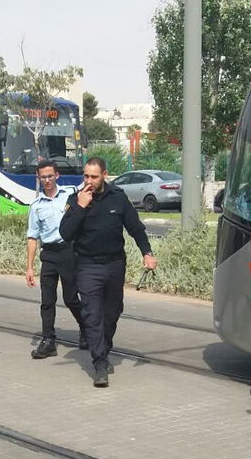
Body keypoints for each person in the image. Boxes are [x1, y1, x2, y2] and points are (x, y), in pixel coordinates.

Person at [59, 156, 157, 388]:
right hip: (87, 266)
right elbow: (65, 233)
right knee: (92, 315)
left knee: (112, 313)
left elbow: (136, 229)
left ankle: (105, 347)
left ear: (105, 175)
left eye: (94, 176)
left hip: (114, 265)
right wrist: (81, 207)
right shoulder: (76, 200)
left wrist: (147, 253)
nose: (89, 181)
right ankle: (100, 363)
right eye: (86, 176)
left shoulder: (118, 198)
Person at [25, 159, 84, 358]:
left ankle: (86, 329)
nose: (47, 180)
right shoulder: (36, 206)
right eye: (44, 177)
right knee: (47, 300)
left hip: (69, 251)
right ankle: (48, 340)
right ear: (38, 178)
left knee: (70, 298)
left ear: (57, 176)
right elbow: (32, 237)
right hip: (49, 254)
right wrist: (30, 267)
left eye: (51, 176)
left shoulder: (70, 194)